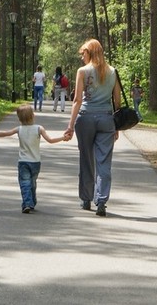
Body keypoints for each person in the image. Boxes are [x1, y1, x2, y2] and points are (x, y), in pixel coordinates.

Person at [64, 39, 120, 217]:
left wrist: (70, 125)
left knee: (86, 159)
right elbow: (117, 101)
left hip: (86, 118)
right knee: (104, 161)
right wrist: (116, 125)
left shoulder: (83, 71)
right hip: (106, 119)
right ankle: (102, 200)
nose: (82, 57)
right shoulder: (113, 72)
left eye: (84, 53)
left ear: (91, 53)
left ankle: (86, 199)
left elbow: (77, 101)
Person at [0, 105, 68, 213]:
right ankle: (31, 202)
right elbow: (50, 140)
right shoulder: (39, 128)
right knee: (32, 183)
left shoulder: (19, 129)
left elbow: (5, 133)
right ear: (33, 116)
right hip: (35, 162)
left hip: (23, 162)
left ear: (19, 118)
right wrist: (63, 137)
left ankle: (27, 203)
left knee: (25, 183)